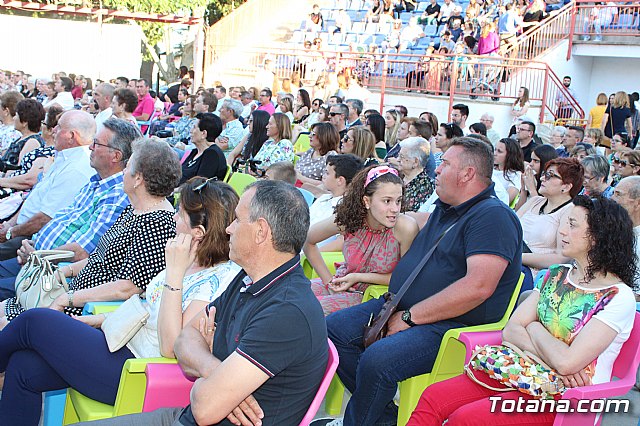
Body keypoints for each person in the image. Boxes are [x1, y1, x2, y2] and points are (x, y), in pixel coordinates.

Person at [80, 180, 328, 426]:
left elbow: (204, 408)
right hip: (182, 416)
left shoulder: (286, 312)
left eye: (238, 220)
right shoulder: (250, 279)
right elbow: (183, 340)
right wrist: (214, 371)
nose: (229, 229)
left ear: (261, 231)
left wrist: (207, 372)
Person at [0, 178, 241, 426]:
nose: (174, 220)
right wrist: (94, 320)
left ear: (198, 233)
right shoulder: (189, 258)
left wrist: (175, 276)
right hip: (119, 344)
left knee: (35, 321)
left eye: (179, 214)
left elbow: (171, 348)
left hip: (137, 372)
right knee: (23, 368)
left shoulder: (215, 282)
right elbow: (146, 308)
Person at [324, 137, 523, 426]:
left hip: (451, 324)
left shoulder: (493, 217)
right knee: (335, 330)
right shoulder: (448, 208)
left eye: (444, 164)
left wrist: (410, 317)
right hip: (400, 304)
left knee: (378, 360)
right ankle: (381, 416)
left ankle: (358, 420)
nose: (437, 170)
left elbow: (477, 288)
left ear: (467, 174)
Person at [409, 195, 637, 425]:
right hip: (521, 372)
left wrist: (534, 327)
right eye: (565, 223)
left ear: (598, 237)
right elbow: (512, 330)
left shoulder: (618, 297)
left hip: (566, 400)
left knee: (467, 419)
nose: (563, 232)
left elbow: (567, 363)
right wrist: (550, 357)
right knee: (432, 397)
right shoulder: (557, 274)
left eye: (573, 225)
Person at [0, 118, 138, 300]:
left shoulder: (117, 195)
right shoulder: (95, 182)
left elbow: (83, 251)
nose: (90, 147)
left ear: (116, 156)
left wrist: (39, 256)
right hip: (37, 257)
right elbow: (61, 219)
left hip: (53, 276)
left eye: (96, 144)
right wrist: (33, 245)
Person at [304, 165, 419, 316]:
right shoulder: (350, 219)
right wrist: (329, 282)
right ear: (367, 201)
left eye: (398, 201)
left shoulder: (405, 227)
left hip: (375, 296)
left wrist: (358, 277)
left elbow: (406, 279)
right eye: (387, 201)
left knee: (307, 310)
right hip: (343, 282)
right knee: (289, 296)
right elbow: (308, 241)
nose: (395, 209)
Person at [0, 110, 96, 259]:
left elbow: (45, 218)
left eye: (58, 127)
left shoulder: (77, 167)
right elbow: (34, 199)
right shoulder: (65, 157)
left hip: (30, 237)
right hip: (20, 228)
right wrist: (9, 225)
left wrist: (11, 232)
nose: (53, 131)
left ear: (72, 136)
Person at [517, 158, 584, 288]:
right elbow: (509, 227)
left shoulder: (570, 212)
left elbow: (561, 258)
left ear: (566, 186)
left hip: (534, 277)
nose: (542, 178)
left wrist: (519, 257)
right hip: (511, 261)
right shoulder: (535, 201)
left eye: (550, 176)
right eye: (544, 174)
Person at [309, 154, 364, 227]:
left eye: (327, 173)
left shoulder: (345, 210)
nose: (323, 176)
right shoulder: (323, 198)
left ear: (340, 180)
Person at [180, 113, 226, 185]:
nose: (191, 131)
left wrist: (173, 191)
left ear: (204, 133)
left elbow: (199, 185)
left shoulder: (212, 155)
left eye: (194, 127)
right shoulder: (195, 152)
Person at [1, 99, 45, 167]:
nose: (14, 118)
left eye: (16, 115)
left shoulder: (32, 142)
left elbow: (19, 168)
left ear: (24, 122)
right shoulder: (21, 138)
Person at [397, 137, 435, 212]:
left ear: (415, 162)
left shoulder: (427, 187)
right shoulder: (397, 177)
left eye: (402, 157)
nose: (397, 159)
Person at [295, 122, 339, 187]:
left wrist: (301, 178)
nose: (309, 136)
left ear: (324, 137)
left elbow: (327, 185)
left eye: (313, 134)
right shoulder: (310, 151)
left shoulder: (331, 156)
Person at [517, 144, 559, 210]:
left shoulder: (550, 184)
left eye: (536, 161)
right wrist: (523, 189)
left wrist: (532, 189)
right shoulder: (533, 178)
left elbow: (540, 211)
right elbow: (518, 211)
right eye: (531, 160)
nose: (531, 164)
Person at [494, 138, 524, 206]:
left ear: (510, 155)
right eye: (495, 149)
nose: (495, 154)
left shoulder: (516, 175)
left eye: (499, 151)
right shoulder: (489, 168)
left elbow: (506, 200)